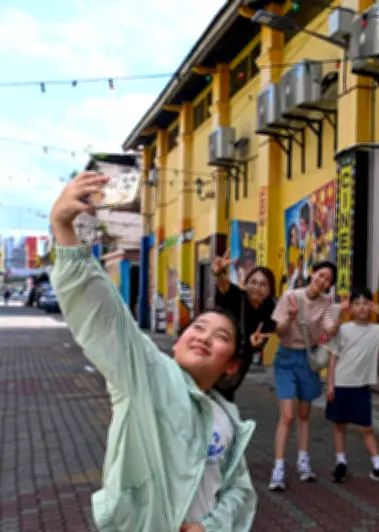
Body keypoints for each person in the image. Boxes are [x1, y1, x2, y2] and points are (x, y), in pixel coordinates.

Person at [48, 171, 256, 532]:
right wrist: (63, 229)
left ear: (232, 365)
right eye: (198, 328)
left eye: (220, 336)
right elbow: (109, 317)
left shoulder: (230, 420)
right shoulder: (146, 374)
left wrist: (211, 526)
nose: (205, 337)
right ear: (176, 343)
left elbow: (239, 490)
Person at [269, 260, 344, 491]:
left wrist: (335, 322)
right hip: (285, 359)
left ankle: (303, 462)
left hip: (308, 361)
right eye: (321, 275)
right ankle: (278, 469)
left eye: (328, 280)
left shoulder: (326, 303)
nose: (322, 281)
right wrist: (290, 319)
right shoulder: (291, 296)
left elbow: (326, 334)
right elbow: (278, 331)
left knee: (304, 414)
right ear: (312, 274)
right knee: (288, 416)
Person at [325, 287, 379, 485]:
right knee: (339, 424)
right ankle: (341, 462)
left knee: (366, 428)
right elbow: (333, 356)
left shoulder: (378, 331)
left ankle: (378, 466)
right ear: (351, 308)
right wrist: (330, 384)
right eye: (357, 304)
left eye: (365, 303)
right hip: (341, 383)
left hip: (361, 386)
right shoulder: (343, 329)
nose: (361, 308)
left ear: (371, 306)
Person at [212, 250, 277, 401]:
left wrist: (256, 344)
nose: (257, 287)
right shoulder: (236, 296)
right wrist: (219, 272)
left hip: (240, 362)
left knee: (225, 396)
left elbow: (261, 341)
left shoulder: (269, 311)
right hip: (218, 354)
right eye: (253, 282)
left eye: (263, 284)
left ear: (270, 290)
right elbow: (223, 285)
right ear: (246, 283)